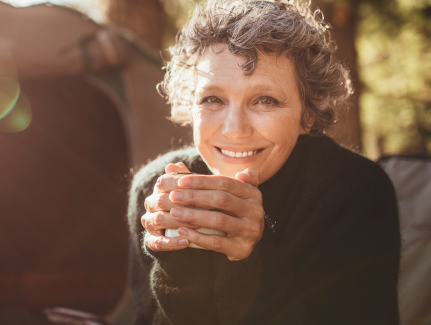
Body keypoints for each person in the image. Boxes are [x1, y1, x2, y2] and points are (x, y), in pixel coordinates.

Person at [126, 0, 401, 324]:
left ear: (308, 113)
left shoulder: (354, 193)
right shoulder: (156, 192)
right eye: (212, 99)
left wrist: (251, 258)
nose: (234, 129)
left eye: (265, 100)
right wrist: (178, 270)